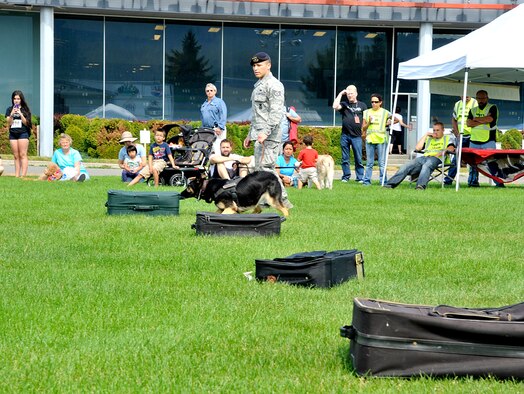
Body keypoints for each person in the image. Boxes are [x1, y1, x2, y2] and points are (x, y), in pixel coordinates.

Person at [243, 51, 292, 208]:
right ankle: (266, 200)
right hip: (259, 134)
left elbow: (276, 113)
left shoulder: (274, 85)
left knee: (266, 168)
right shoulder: (259, 85)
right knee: (260, 168)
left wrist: (265, 132)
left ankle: (283, 200)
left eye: (259, 65)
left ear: (268, 65)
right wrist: (250, 135)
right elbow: (257, 113)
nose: (255, 68)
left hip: (269, 135)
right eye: (254, 66)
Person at [384, 122, 455, 190]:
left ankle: (420, 186)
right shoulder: (429, 139)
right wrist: (426, 135)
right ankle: (390, 184)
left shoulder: (447, 138)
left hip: (437, 158)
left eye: (437, 130)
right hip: (424, 157)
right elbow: (417, 148)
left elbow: (451, 148)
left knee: (426, 165)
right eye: (434, 130)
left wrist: (442, 152)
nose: (435, 132)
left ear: (443, 130)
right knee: (405, 166)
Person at [466, 90, 503, 187]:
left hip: (488, 140)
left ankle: (499, 183)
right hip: (474, 140)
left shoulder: (492, 107)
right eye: (479, 98)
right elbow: (468, 123)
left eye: (483, 98)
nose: (481, 100)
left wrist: (475, 119)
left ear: (487, 98)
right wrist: (483, 120)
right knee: (473, 164)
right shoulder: (473, 110)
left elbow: (490, 119)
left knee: (492, 163)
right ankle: (472, 182)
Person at [332, 85, 366, 183]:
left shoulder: (362, 105)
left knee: (358, 158)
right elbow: (335, 106)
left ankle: (360, 177)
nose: (350, 96)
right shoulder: (344, 104)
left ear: (356, 93)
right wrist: (340, 94)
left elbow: (365, 119)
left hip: (357, 136)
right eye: (348, 94)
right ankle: (346, 176)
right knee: (345, 158)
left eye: (351, 93)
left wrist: (364, 132)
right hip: (345, 135)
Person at [444, 96, 478, 185]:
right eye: (463, 95)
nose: (465, 97)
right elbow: (454, 119)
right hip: (461, 136)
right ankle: (448, 180)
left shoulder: (475, 103)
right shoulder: (457, 104)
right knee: (456, 159)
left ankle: (473, 182)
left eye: (467, 95)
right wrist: (456, 133)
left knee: (473, 160)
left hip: (472, 136)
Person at [362, 93, 391, 186]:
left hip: (381, 139)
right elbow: (363, 128)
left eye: (376, 102)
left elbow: (396, 119)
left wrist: (388, 122)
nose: (374, 103)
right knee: (369, 162)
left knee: (381, 163)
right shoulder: (366, 112)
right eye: (372, 102)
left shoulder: (385, 112)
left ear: (380, 102)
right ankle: (366, 181)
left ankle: (383, 181)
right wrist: (369, 122)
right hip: (370, 139)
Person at [5, 90, 32, 177]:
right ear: (12, 100)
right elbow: (8, 123)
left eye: (18, 99)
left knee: (22, 154)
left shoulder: (25, 109)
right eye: (14, 98)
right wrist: (12, 114)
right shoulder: (9, 109)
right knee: (16, 155)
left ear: (21, 100)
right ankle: (17, 175)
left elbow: (27, 123)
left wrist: (20, 114)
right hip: (13, 133)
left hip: (23, 133)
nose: (16, 100)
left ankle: (23, 176)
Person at [200, 83, 227, 155]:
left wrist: (220, 127)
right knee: (209, 150)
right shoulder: (204, 104)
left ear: (215, 91)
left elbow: (223, 115)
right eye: (207, 91)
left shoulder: (219, 102)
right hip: (207, 130)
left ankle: (220, 166)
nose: (209, 92)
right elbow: (203, 118)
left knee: (218, 150)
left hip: (217, 129)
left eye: (211, 90)